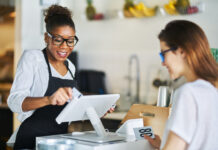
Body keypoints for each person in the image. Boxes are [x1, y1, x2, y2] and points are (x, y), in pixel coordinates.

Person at [8, 4, 78, 149]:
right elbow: (14, 101)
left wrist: (94, 109)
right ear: (47, 37)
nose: (65, 46)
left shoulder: (71, 66)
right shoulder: (33, 58)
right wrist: (48, 99)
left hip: (59, 142)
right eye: (58, 39)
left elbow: (68, 110)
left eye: (70, 40)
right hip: (31, 140)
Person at [144, 20, 218, 150]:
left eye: (163, 54)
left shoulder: (188, 92)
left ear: (182, 51)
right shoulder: (212, 89)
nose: (163, 63)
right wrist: (163, 144)